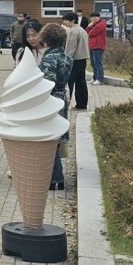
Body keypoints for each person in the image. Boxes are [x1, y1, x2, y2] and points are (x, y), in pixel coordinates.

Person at [38, 23, 74, 192]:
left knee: (48, 141)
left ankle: (54, 178)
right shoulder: (67, 57)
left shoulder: (49, 59)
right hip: (61, 97)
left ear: (46, 39)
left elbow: (46, 83)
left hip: (50, 101)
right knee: (56, 141)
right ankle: (56, 179)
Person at [61, 11, 89, 110]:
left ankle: (66, 102)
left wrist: (66, 59)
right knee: (81, 82)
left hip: (74, 59)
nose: (64, 22)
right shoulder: (82, 30)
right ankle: (82, 103)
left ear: (72, 20)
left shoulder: (73, 31)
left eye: (66, 20)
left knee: (69, 82)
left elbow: (70, 48)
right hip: (83, 58)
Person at [88, 12, 108, 85]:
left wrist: (90, 27)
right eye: (92, 17)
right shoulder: (94, 24)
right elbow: (86, 32)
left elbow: (90, 34)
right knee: (93, 63)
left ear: (99, 17)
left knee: (97, 63)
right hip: (92, 45)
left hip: (98, 46)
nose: (93, 18)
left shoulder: (101, 24)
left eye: (95, 17)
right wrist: (89, 26)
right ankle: (94, 78)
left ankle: (100, 79)